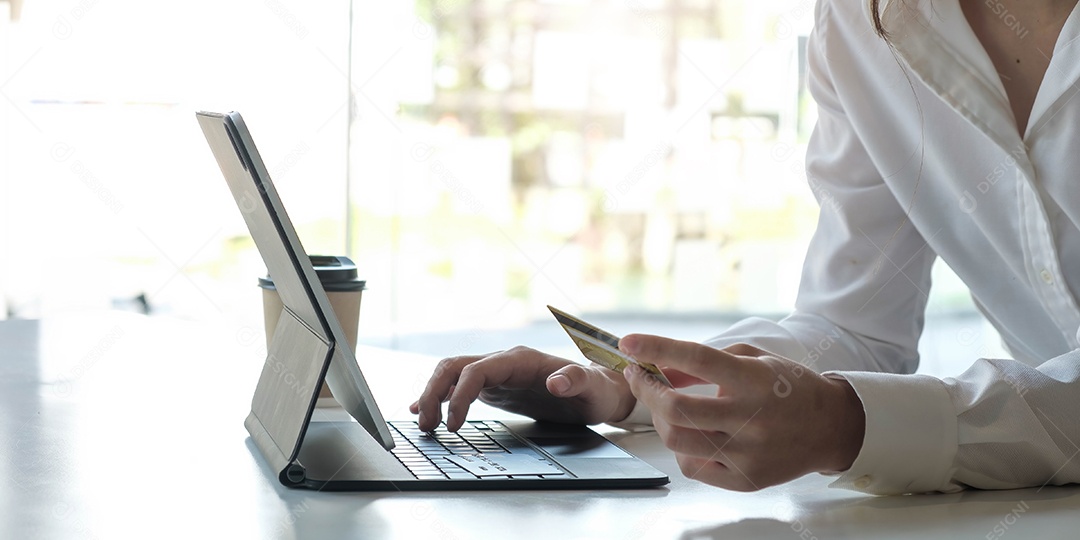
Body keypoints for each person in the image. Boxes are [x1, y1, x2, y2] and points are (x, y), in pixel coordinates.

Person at [412, 0, 1080, 495]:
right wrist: (632, 386)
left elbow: (847, 401)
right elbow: (853, 329)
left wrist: (851, 425)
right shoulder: (861, 23)